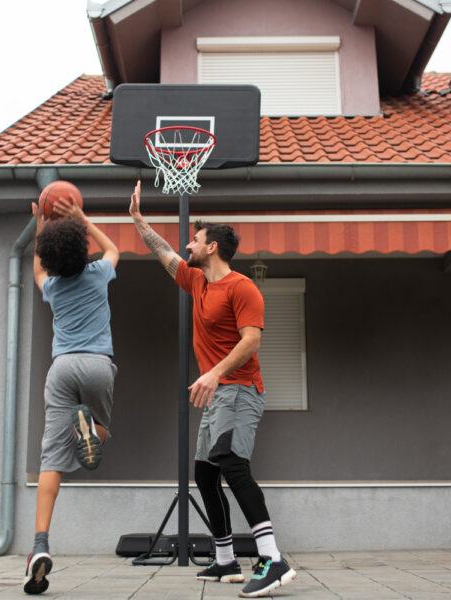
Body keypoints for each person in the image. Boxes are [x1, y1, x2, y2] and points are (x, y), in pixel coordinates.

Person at [129, 180, 296, 598]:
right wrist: (138, 220)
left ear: (213, 248)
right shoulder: (197, 281)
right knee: (205, 474)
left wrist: (213, 373)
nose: (188, 245)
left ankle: (273, 559)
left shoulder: (242, 288)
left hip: (240, 389)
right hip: (220, 392)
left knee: (231, 462)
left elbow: (252, 340)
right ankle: (225, 561)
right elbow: (164, 255)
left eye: (196, 240)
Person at [23, 195, 119, 595]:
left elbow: (37, 271)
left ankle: (40, 545)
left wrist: (40, 230)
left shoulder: (54, 289)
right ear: (81, 250)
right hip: (98, 364)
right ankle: (90, 434)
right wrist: (83, 218)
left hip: (61, 368)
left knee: (51, 459)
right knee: (102, 431)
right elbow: (114, 249)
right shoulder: (98, 273)